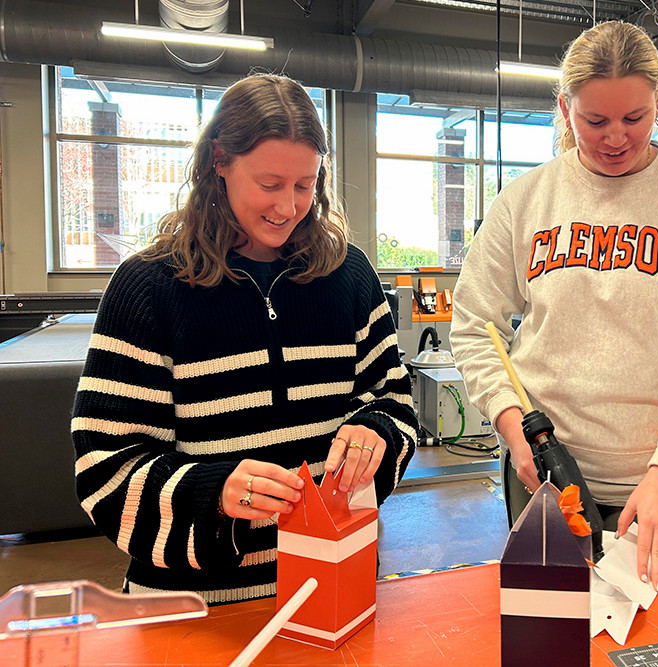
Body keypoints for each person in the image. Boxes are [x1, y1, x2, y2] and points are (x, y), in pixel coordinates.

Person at [72, 73, 417, 605]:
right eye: (270, 184)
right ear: (219, 162)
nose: (288, 207)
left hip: (334, 591)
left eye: (306, 185)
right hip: (194, 606)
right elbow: (105, 468)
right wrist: (215, 495)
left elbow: (394, 404)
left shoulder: (349, 275)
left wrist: (378, 434)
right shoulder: (148, 287)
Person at [451, 21, 658, 593]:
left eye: (633, 118)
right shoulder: (525, 201)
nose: (615, 137)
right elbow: (473, 324)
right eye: (595, 121)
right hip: (541, 469)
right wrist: (511, 423)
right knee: (551, 627)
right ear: (566, 110)